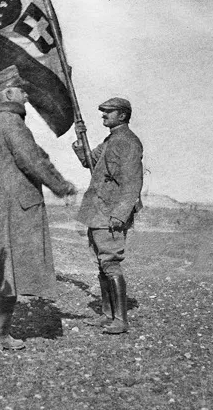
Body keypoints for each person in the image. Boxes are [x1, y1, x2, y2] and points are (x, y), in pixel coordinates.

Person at [0, 65, 77, 351]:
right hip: (10, 206)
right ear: (8, 93)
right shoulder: (11, 122)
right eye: (21, 90)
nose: (26, 96)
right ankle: (0, 337)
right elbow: (32, 160)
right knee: (10, 272)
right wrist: (62, 185)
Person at [71, 97, 143, 335]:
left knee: (111, 263)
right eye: (103, 111)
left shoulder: (129, 142)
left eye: (108, 112)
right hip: (98, 210)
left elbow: (133, 182)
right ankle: (107, 314)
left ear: (122, 115)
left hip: (111, 212)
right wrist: (80, 139)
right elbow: (88, 161)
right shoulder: (111, 140)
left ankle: (120, 320)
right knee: (102, 264)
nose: (103, 115)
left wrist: (120, 214)